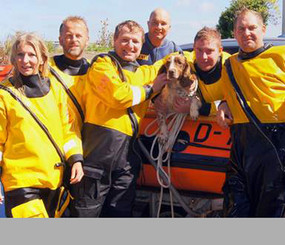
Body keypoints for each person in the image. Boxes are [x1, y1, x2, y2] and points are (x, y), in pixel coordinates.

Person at [214, 8, 285, 217]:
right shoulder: (229, 65)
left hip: (280, 151)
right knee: (234, 211)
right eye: (241, 29)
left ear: (263, 29)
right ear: (234, 33)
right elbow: (217, 92)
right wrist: (222, 104)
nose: (246, 33)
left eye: (252, 27)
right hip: (242, 150)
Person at [70, 20, 166, 217]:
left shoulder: (143, 72)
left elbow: (173, 59)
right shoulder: (102, 64)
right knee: (85, 214)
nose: (130, 46)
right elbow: (118, 95)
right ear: (114, 41)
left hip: (127, 158)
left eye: (135, 42)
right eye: (124, 40)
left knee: (120, 213)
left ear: (141, 45)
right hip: (97, 156)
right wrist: (151, 90)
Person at [0, 33, 84, 218]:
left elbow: (68, 131)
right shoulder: (4, 94)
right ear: (13, 59)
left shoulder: (56, 90)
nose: (25, 60)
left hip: (54, 181)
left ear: (42, 59)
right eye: (20, 55)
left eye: (31, 54)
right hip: (20, 182)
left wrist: (76, 159)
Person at [49, 16, 90, 136]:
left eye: (78, 36)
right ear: (60, 40)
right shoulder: (45, 69)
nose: (74, 40)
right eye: (68, 36)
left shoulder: (94, 71)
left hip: (88, 140)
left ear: (87, 40)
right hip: (56, 138)